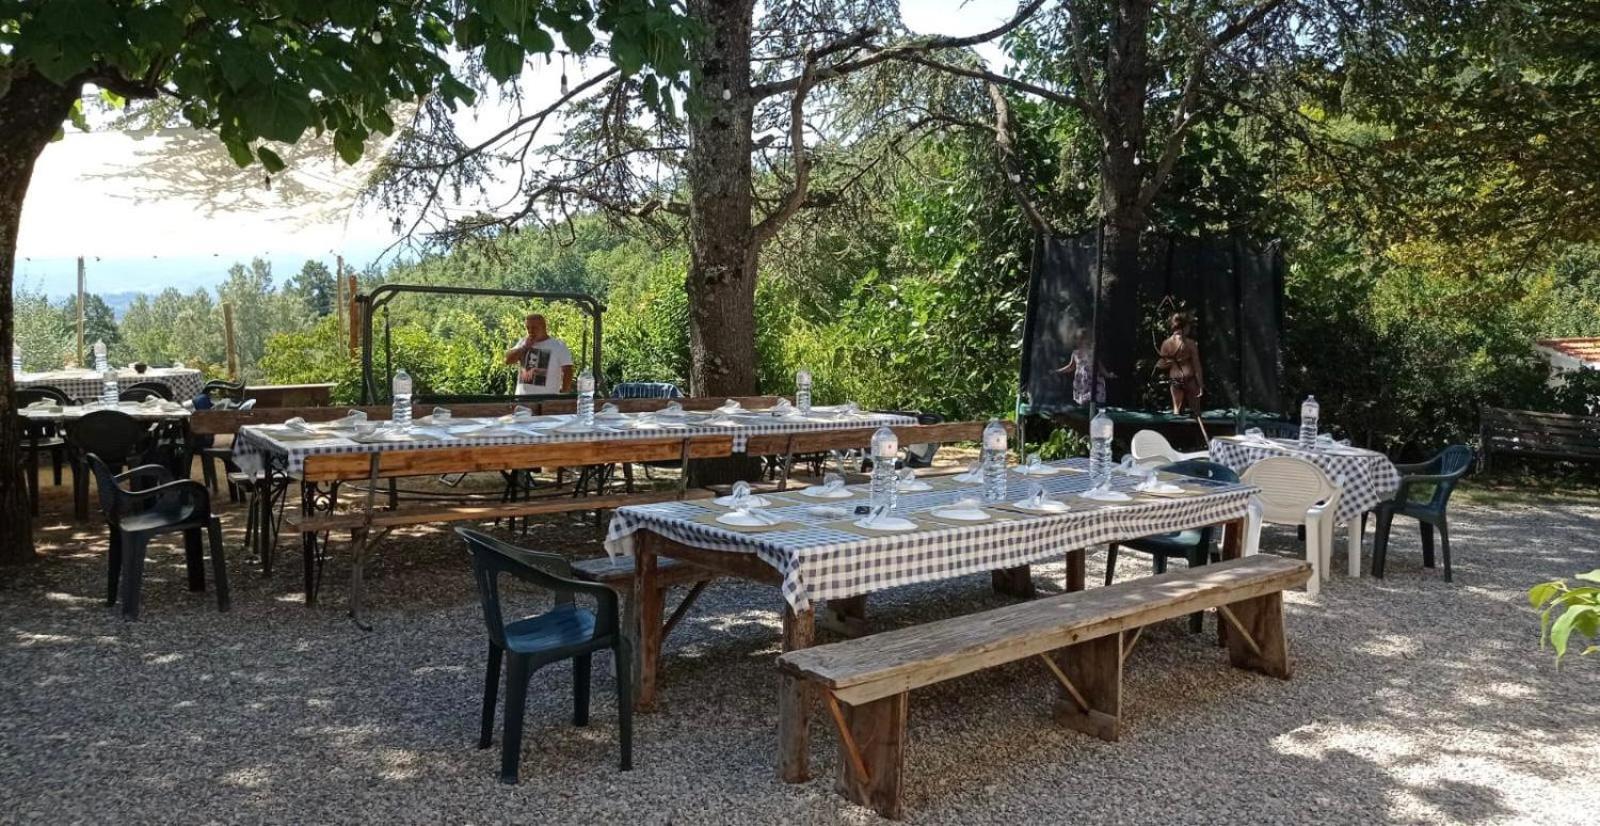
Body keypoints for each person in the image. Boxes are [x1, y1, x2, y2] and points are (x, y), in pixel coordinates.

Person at [504, 314, 574, 395]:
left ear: (544, 327)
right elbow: (507, 360)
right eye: (527, 328)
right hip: (522, 400)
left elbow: (568, 371)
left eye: (534, 328)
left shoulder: (558, 346)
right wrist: (524, 347)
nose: (530, 331)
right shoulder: (523, 342)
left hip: (547, 401)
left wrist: (564, 394)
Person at [1156, 312, 1204, 415]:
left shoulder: (1166, 343)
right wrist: (1200, 384)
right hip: (1189, 380)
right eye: (1189, 326)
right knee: (1196, 412)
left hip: (1175, 380)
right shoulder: (1190, 344)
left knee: (1176, 411)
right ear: (1185, 326)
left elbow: (1163, 363)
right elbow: (1197, 366)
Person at [1055, 328, 1108, 405]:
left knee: (1093, 399)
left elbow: (1099, 365)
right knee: (1083, 401)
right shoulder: (1075, 353)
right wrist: (1059, 371)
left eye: (1084, 339)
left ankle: (1094, 411)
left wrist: (1107, 374)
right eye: (1079, 339)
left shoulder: (1092, 352)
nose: (1081, 341)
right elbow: (1071, 367)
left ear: (1088, 340)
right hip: (1081, 382)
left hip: (1092, 381)